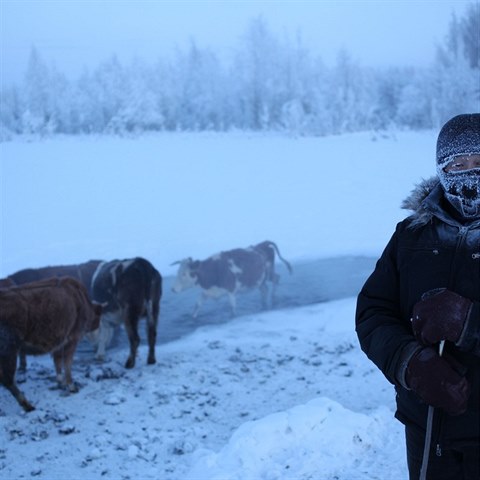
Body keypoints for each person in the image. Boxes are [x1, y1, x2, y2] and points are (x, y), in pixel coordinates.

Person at [355, 113, 480, 480]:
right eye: (458, 164)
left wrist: (469, 323)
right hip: (428, 432)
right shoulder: (411, 236)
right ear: (442, 171)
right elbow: (373, 312)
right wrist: (409, 363)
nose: (469, 175)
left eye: (479, 162)